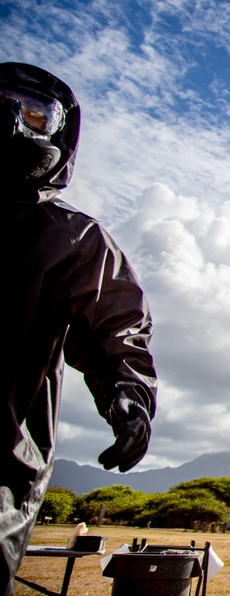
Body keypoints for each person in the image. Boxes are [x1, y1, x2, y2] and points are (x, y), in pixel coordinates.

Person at [0, 62, 157, 594]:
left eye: (33, 113)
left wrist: (128, 393)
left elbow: (116, 328)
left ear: (60, 135)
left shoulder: (71, 237)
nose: (11, 120)